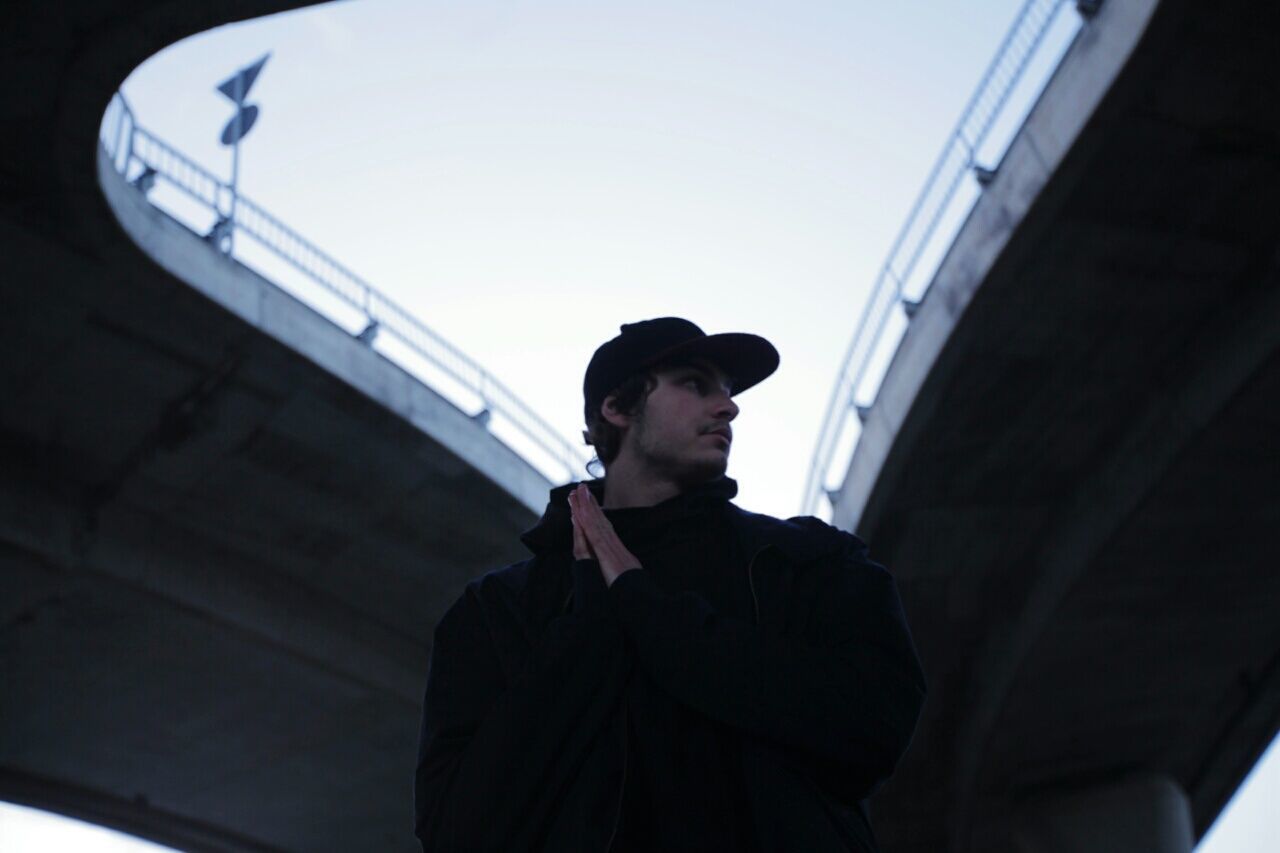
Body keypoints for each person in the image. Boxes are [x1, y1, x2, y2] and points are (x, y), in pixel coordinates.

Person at [414, 317, 926, 852]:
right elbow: (457, 829)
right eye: (694, 384)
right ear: (617, 408)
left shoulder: (803, 562)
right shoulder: (499, 609)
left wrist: (642, 602)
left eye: (727, 392)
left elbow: (875, 727)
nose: (728, 407)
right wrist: (591, 622)